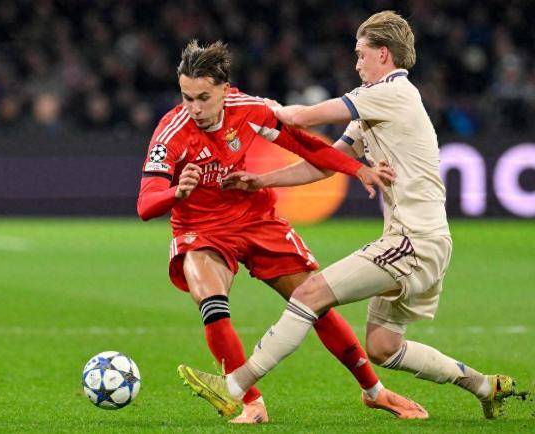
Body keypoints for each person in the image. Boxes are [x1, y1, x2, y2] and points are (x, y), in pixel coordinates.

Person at [178, 11, 518, 420]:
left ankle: (234, 386)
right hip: (422, 241)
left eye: (361, 54)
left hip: (412, 240)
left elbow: (300, 117)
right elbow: (324, 164)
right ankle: (485, 386)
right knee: (383, 347)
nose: (356, 64)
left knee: (309, 294)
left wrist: (257, 105)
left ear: (383, 54)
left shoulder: (393, 91)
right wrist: (262, 181)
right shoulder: (374, 109)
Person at [138, 39, 426, 423]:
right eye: (187, 98)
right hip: (201, 229)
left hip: (256, 219)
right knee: (211, 300)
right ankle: (251, 403)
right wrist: (177, 192)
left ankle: (374, 392)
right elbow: (146, 204)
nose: (195, 109)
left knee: (315, 301)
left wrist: (358, 169)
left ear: (225, 90)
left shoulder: (249, 109)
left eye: (204, 98)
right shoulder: (171, 131)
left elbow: (307, 146)